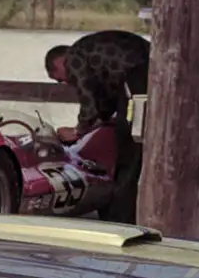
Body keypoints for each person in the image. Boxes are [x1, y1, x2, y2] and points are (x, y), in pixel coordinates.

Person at [44, 29, 151, 223]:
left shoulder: (74, 57)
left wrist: (77, 131)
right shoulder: (93, 58)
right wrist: (94, 124)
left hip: (138, 74)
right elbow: (104, 102)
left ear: (60, 62)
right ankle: (123, 211)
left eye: (59, 78)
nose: (66, 83)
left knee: (128, 150)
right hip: (141, 70)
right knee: (130, 152)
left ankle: (121, 218)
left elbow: (88, 102)